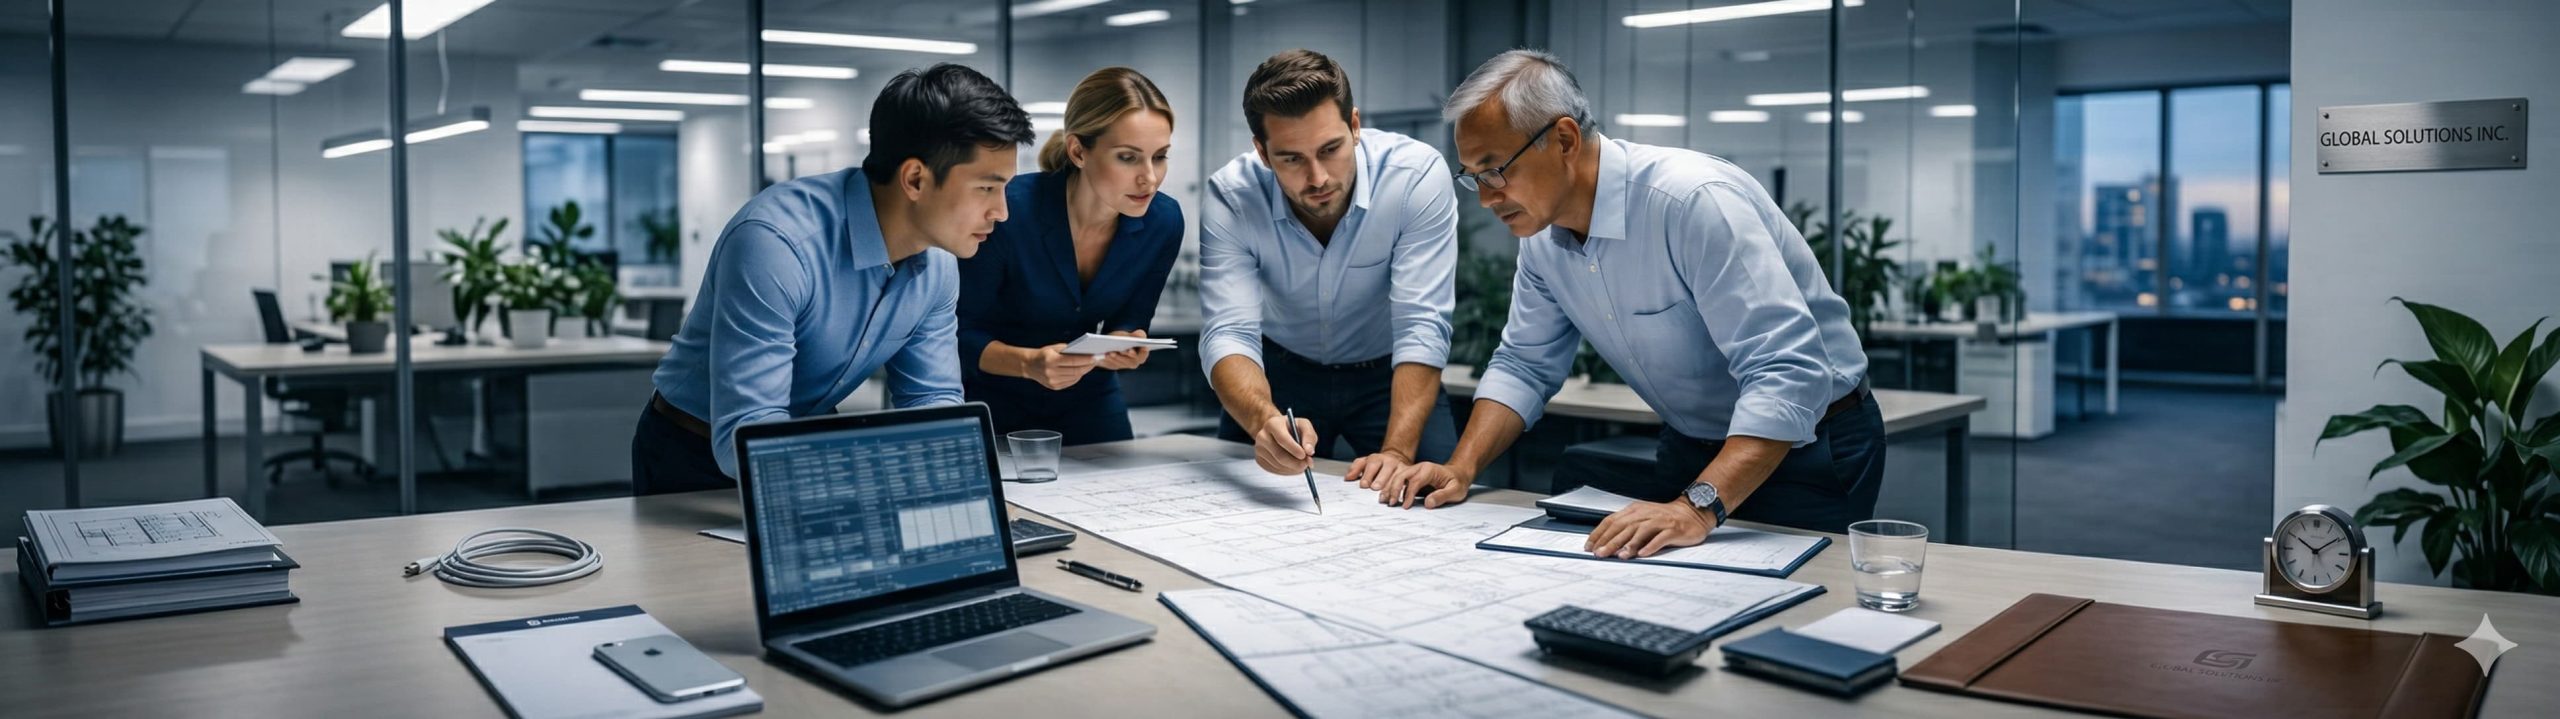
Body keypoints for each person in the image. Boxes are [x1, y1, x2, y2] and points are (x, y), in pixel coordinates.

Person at [1379, 49, 1884, 559]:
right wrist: (1460, 467)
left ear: (1564, 140)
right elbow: (1524, 364)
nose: (1486, 199)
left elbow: (1787, 370)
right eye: (1473, 176)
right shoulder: (1541, 238)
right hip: (1692, 443)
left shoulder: (1692, 203)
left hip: (1811, 443)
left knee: (1796, 603)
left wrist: (1695, 507)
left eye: (1495, 170)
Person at [631, 63, 1035, 493]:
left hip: (809, 439)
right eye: (986, 188)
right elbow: (746, 434)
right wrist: (873, 469)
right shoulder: (777, 243)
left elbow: (931, 402)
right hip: (696, 454)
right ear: (915, 178)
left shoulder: (936, 266)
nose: (1002, 212)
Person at [1199, 49, 1460, 483]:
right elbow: (1229, 332)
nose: (1318, 177)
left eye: (1330, 149)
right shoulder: (1232, 195)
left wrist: (1396, 450)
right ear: (1262, 152)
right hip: (1280, 374)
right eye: (1291, 159)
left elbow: (1422, 323)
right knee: (1243, 503)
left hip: (1388, 374)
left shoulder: (1415, 176)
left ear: (1355, 126)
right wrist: (1264, 419)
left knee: (1428, 493)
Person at [957, 67, 1182, 445]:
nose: (1150, 178)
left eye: (1159, 157)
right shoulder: (1008, 212)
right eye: (1128, 158)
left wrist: (1127, 344)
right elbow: (957, 334)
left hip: (1088, 398)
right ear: (1079, 151)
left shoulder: (1163, 221)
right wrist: (1029, 364)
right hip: (989, 400)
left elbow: (1130, 320)